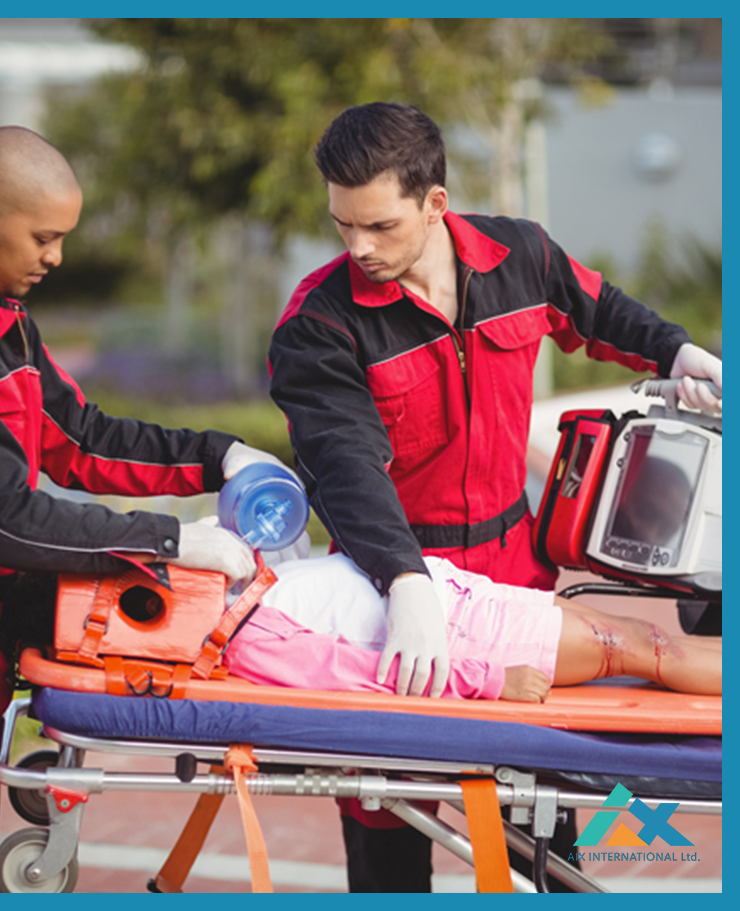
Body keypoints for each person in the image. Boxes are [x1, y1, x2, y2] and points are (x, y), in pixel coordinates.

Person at [266, 102, 723, 891]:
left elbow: (597, 308)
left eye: (377, 225)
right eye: (342, 226)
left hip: (514, 571)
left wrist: (677, 351)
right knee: (388, 807)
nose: (357, 247)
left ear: (434, 203)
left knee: (540, 800)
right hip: (393, 585)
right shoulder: (319, 323)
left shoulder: (522, 254)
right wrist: (404, 581)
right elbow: (341, 464)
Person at [0, 125, 287, 893]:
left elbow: (78, 437)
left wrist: (221, 456)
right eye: (44, 237)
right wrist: (169, 541)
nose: (56, 256)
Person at [223, 553, 722, 699]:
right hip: (465, 634)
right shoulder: (237, 638)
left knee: (647, 638)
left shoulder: (227, 594)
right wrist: (490, 679)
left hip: (454, 595)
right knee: (649, 649)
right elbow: (353, 671)